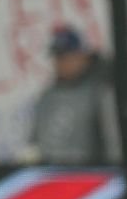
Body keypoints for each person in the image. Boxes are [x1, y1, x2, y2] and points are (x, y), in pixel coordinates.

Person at [27, 25, 109, 164]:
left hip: (90, 176)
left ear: (82, 56)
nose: (60, 63)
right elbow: (35, 142)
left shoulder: (100, 93)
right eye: (57, 57)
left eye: (65, 57)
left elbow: (112, 143)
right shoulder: (47, 97)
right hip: (51, 176)